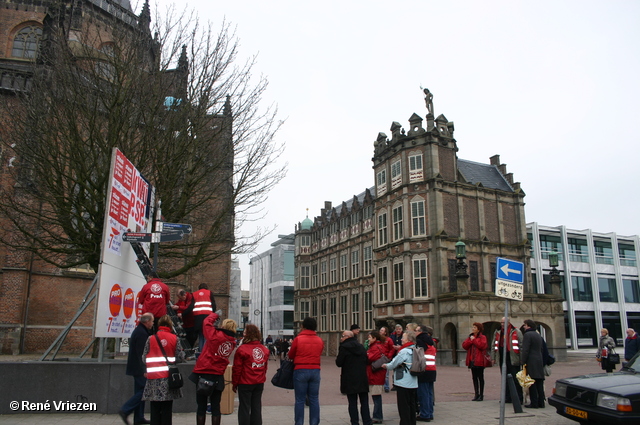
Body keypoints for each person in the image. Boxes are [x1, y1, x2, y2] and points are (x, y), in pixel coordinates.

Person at [190, 312, 237, 425]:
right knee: (216, 406)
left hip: (204, 372)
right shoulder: (232, 342)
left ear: (223, 326)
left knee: (201, 406)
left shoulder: (215, 335)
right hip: (217, 375)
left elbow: (206, 322)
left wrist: (215, 315)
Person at [142, 315, 185, 425]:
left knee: (155, 407)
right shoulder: (175, 338)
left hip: (153, 378)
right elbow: (180, 357)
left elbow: (144, 357)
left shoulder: (151, 338)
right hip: (168, 378)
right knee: (167, 408)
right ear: (170, 325)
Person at [119, 312, 154, 425]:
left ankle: (139, 417)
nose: (153, 323)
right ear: (147, 321)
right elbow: (141, 353)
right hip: (139, 368)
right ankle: (125, 410)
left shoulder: (140, 331)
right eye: (152, 321)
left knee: (140, 390)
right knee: (144, 390)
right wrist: (144, 369)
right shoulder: (142, 333)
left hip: (136, 367)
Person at [289, 317, 324, 425]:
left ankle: (299, 423)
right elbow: (320, 352)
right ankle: (314, 423)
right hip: (315, 370)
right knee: (314, 399)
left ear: (303, 326)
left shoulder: (298, 339)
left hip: (300, 369)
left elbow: (291, 354)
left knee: (300, 400)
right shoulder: (319, 340)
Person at [232, 324, 270, 425]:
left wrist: (235, 383)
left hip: (245, 381)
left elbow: (237, 369)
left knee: (244, 407)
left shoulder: (242, 349)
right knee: (256, 407)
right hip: (258, 382)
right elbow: (265, 367)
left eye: (245, 332)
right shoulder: (264, 349)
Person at [336, 330, 372, 425]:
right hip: (361, 377)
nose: (341, 338)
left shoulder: (344, 347)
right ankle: (367, 421)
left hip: (349, 378)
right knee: (364, 402)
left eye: (342, 336)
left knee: (352, 403)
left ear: (347, 337)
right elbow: (366, 360)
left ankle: (355, 422)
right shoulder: (360, 346)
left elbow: (338, 363)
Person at [382, 331, 418, 425]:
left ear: (408, 339)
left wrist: (386, 366)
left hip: (403, 381)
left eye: (403, 337)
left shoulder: (404, 351)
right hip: (413, 381)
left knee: (403, 406)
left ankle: (405, 423)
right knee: (411, 405)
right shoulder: (415, 348)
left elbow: (394, 363)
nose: (401, 339)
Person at [491, 317, 523, 403]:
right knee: (504, 377)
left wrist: (521, 358)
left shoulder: (516, 331)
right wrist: (493, 357)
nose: (502, 324)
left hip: (513, 357)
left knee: (516, 378)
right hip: (502, 355)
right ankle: (507, 397)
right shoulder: (498, 332)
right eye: (501, 323)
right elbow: (494, 344)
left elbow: (521, 345)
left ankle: (519, 398)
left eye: (503, 323)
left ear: (508, 323)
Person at [521, 319, 545, 408]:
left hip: (531, 361)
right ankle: (541, 402)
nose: (524, 326)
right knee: (539, 382)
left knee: (531, 382)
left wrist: (523, 361)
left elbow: (525, 349)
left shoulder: (527, 335)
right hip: (539, 360)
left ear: (528, 326)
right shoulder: (538, 335)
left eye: (525, 325)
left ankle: (534, 403)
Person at [462, 322, 488, 402]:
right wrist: (470, 340)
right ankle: (476, 394)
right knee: (474, 378)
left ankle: (481, 394)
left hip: (479, 360)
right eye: (473, 327)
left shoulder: (482, 337)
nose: (473, 329)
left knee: (480, 377)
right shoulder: (470, 337)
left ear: (478, 329)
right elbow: (464, 346)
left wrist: (474, 340)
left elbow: (482, 346)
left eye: (474, 327)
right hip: (472, 360)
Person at [415, 325, 436, 422]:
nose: (415, 332)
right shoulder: (431, 342)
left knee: (423, 393)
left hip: (424, 369)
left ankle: (425, 414)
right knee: (429, 393)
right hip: (432, 369)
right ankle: (430, 412)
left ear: (420, 332)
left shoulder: (420, 341)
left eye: (416, 330)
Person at [366, 331, 387, 424]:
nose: (368, 339)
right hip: (377, 375)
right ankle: (377, 415)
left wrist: (366, 354)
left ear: (375, 338)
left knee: (376, 397)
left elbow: (369, 358)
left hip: (376, 375)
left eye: (370, 337)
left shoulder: (375, 347)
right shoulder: (378, 346)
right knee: (376, 396)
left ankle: (377, 416)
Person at [192, 283, 217, 357]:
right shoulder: (209, 293)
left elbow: (192, 305)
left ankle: (200, 353)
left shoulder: (194, 294)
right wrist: (213, 314)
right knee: (206, 335)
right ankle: (206, 353)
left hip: (198, 317)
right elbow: (214, 305)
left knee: (201, 336)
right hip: (208, 316)